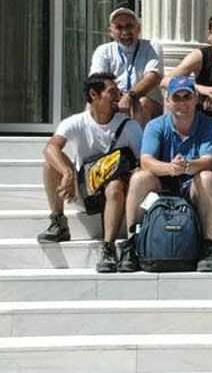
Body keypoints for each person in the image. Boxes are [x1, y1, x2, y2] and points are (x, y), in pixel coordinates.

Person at [36, 73, 143, 274]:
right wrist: (67, 172)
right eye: (112, 92)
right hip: (86, 187)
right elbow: (50, 148)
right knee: (51, 163)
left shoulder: (129, 126)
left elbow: (143, 164)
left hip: (117, 192)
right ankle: (58, 222)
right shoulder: (76, 122)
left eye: (118, 91)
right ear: (94, 94)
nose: (118, 96)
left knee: (115, 185)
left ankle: (108, 248)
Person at [121, 76, 212, 272]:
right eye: (177, 98)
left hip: (191, 188)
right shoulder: (156, 125)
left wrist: (186, 166)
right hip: (161, 189)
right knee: (140, 177)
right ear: (168, 101)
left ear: (196, 99)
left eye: (187, 97)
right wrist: (171, 168)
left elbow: (208, 160)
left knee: (208, 177)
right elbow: (146, 161)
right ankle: (132, 243)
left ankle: (207, 246)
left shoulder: (209, 125)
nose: (182, 103)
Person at [89, 7, 163, 126]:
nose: (125, 31)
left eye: (129, 26)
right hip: (113, 98)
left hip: (145, 100)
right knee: (93, 103)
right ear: (111, 32)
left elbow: (152, 78)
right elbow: (97, 80)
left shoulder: (152, 47)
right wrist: (117, 97)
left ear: (138, 28)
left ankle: (140, 144)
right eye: (119, 27)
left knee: (141, 103)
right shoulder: (103, 50)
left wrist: (129, 96)